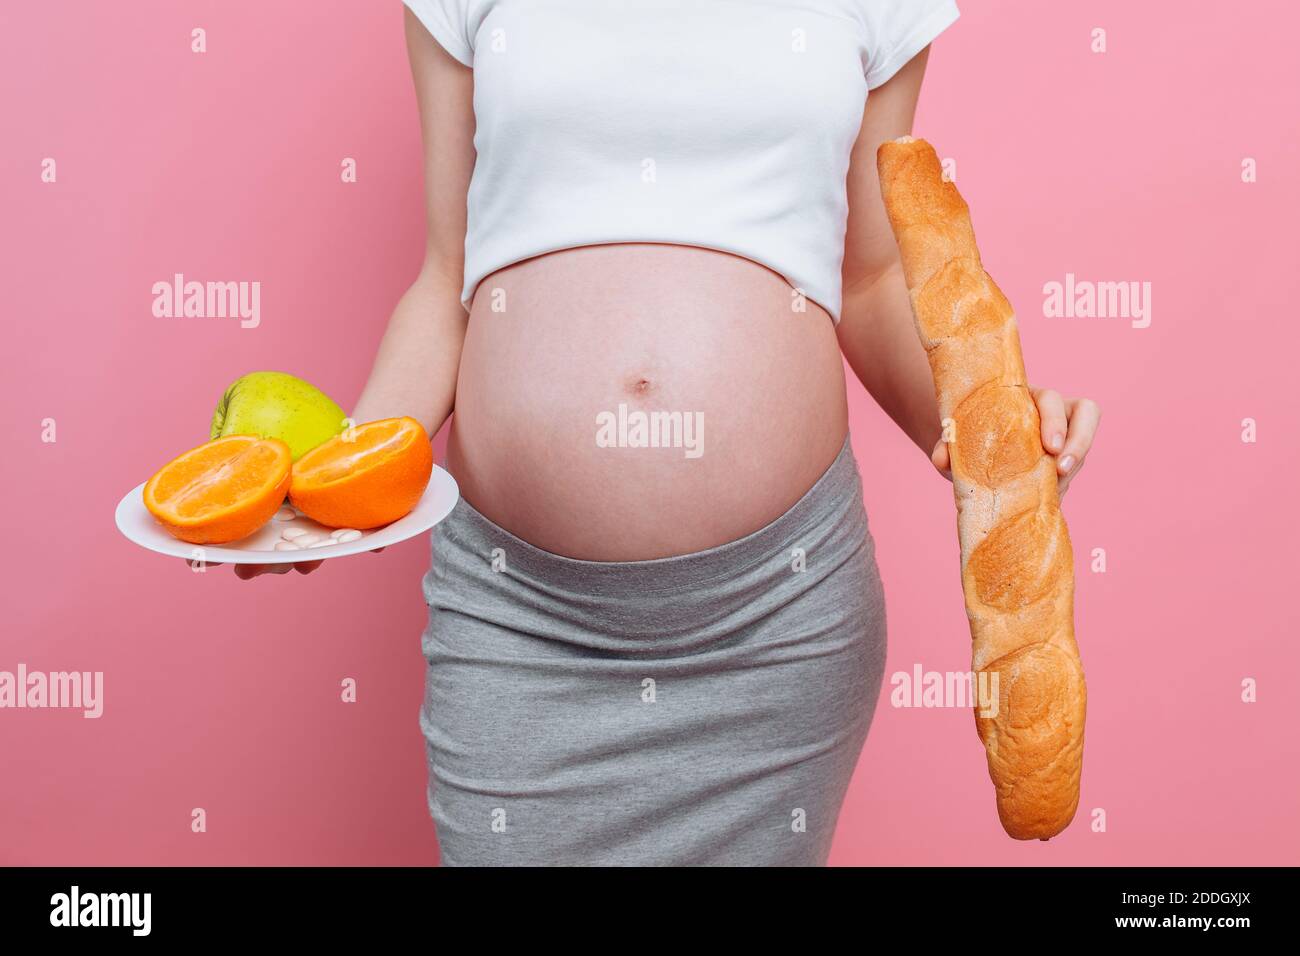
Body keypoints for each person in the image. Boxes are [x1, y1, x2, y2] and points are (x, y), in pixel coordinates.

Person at [234, 0, 1100, 865]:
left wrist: (996, 440)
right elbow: (445, 282)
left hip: (777, 616)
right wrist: (338, 482)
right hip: (521, 620)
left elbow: (868, 282)